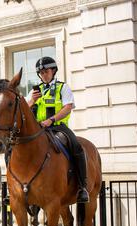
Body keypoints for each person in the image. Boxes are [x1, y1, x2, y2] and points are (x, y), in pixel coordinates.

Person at [26, 56, 89, 203]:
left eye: (46, 71)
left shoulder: (63, 87)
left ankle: (82, 187)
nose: (43, 75)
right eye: (40, 73)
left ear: (53, 71)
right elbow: (23, 109)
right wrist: (31, 101)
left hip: (58, 127)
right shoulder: (35, 91)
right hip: (38, 129)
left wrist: (51, 120)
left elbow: (67, 108)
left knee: (77, 147)